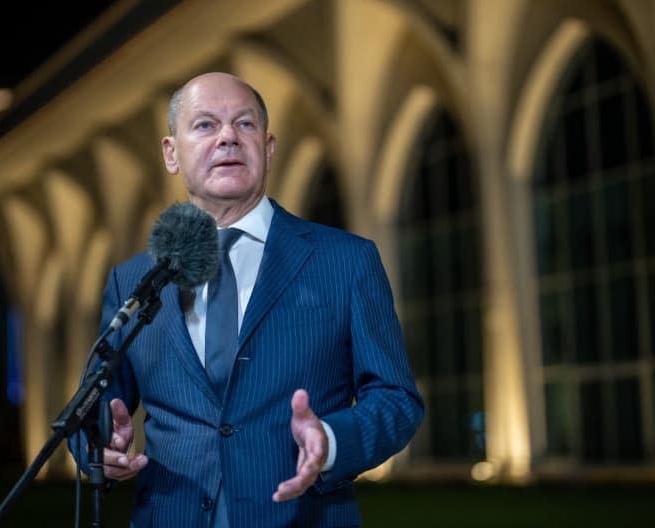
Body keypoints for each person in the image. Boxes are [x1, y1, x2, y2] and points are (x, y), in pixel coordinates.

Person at [74, 72, 424, 527]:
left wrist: (332, 441)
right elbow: (95, 404)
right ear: (171, 153)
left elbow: (397, 398)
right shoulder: (133, 281)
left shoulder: (347, 261)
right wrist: (98, 445)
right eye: (204, 125)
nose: (227, 138)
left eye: (245, 124)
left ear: (269, 147)